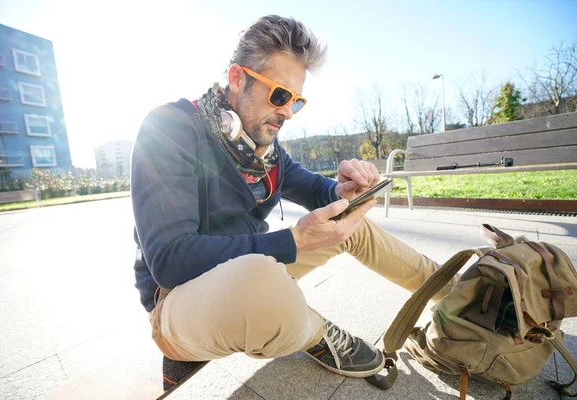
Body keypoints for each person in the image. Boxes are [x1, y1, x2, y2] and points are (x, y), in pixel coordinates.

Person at [131, 15, 455, 379]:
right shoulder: (168, 129)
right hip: (177, 302)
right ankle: (316, 332)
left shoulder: (264, 147)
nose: (286, 112)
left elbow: (315, 188)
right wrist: (294, 240)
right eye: (279, 94)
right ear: (237, 78)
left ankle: (455, 290)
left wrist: (343, 189)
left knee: (343, 222)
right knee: (265, 282)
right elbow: (170, 260)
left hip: (251, 272)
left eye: (296, 101)